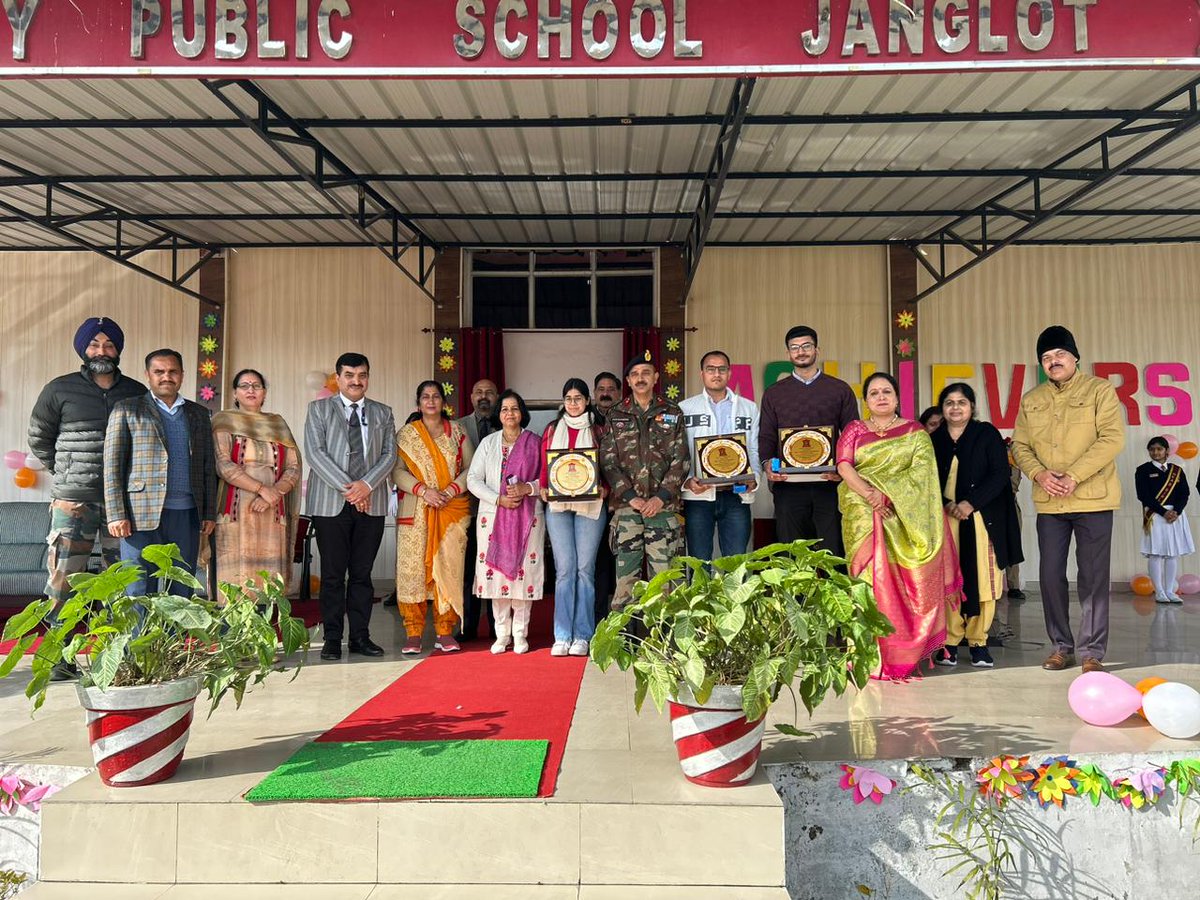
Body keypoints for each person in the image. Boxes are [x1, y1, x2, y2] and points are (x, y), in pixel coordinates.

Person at [28, 316, 145, 680]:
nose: (102, 351)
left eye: (108, 345)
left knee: (121, 579)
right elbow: (39, 438)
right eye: (94, 345)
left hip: (121, 503)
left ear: (118, 350)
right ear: (83, 349)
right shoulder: (58, 389)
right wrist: (66, 472)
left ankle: (117, 656)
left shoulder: (136, 392)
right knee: (64, 580)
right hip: (73, 502)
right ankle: (57, 657)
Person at [1012, 326, 1125, 673]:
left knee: (1092, 577)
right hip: (1050, 502)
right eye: (1046, 358)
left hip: (1092, 498)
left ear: (1075, 357)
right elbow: (1020, 445)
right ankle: (1061, 646)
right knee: (1049, 576)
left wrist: (1074, 475)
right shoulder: (1032, 399)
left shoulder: (1100, 391)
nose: (1053, 361)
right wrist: (1039, 474)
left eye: (1059, 354)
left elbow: (1112, 438)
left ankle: (1092, 652)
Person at [836, 372, 962, 681]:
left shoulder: (914, 432)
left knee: (898, 583)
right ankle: (863, 656)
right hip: (861, 514)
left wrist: (886, 494)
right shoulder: (854, 429)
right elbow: (844, 465)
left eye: (887, 392)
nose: (881, 397)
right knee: (866, 585)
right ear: (866, 400)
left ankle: (899, 655)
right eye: (874, 393)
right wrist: (869, 494)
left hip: (900, 517)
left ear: (897, 398)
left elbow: (923, 478)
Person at [304, 352, 396, 661]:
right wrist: (352, 489)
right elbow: (315, 454)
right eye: (349, 375)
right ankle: (332, 638)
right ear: (338, 378)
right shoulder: (318, 410)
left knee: (362, 574)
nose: (356, 381)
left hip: (372, 502)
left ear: (368, 377)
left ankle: (360, 637)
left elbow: (389, 455)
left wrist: (367, 485)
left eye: (362, 375)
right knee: (332, 575)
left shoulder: (383, 412)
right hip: (331, 504)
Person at [104, 349, 217, 598]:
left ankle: (173, 639)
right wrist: (116, 514)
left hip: (186, 515)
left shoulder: (199, 414)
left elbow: (208, 467)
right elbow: (112, 466)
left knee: (181, 587)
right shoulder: (127, 409)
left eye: (172, 371)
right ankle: (139, 638)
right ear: (148, 375)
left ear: (182, 375)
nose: (167, 376)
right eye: (159, 371)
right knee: (138, 588)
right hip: (138, 515)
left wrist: (208, 512)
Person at [930, 383, 1023, 669]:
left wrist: (970, 503)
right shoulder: (934, 439)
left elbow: (999, 475)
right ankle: (951, 642)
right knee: (949, 578)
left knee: (984, 579)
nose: (955, 407)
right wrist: (948, 503)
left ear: (972, 407)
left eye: (961, 402)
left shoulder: (986, 434)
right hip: (946, 518)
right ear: (942, 408)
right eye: (949, 402)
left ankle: (979, 641)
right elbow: (927, 477)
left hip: (983, 517)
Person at [599, 350, 689, 609]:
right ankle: (623, 644)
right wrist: (632, 497)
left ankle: (663, 646)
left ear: (656, 377)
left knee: (666, 582)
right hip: (627, 510)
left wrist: (660, 498)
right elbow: (608, 462)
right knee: (625, 583)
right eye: (635, 374)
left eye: (646, 373)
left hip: (664, 509)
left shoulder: (672, 411)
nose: (640, 378)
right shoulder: (615, 414)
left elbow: (681, 458)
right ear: (627, 381)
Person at [759, 325, 859, 552]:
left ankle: (833, 589)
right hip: (788, 486)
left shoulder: (839, 389)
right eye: (794, 347)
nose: (801, 351)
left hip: (829, 483)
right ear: (788, 354)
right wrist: (767, 465)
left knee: (833, 549)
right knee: (792, 550)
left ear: (817, 350)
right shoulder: (774, 393)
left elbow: (853, 435)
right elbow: (766, 435)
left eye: (806, 346)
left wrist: (844, 469)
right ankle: (797, 590)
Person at [394, 381, 473, 654]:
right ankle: (413, 632)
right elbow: (397, 471)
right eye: (425, 397)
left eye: (436, 396)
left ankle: (444, 630)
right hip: (416, 510)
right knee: (412, 572)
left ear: (443, 402)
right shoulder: (407, 435)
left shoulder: (458, 432)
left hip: (450, 510)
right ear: (418, 403)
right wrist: (424, 491)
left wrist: (450, 490)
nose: (431, 401)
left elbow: (471, 470)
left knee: (448, 569)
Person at [467, 390, 545, 654]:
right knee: (497, 576)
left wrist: (527, 488)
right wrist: (497, 499)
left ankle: (520, 635)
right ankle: (502, 635)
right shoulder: (488, 443)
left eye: (514, 409)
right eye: (504, 409)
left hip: (528, 519)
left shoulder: (535, 443)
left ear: (522, 412)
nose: (509, 414)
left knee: (523, 577)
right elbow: (473, 480)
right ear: (498, 415)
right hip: (493, 517)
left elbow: (547, 480)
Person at [210, 369, 302, 591]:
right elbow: (222, 463)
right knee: (235, 573)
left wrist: (274, 493)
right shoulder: (223, 421)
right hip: (236, 508)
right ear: (235, 392)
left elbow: (293, 467)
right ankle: (232, 623)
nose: (250, 390)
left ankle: (266, 622)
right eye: (244, 386)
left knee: (268, 575)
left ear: (264, 393)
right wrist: (261, 489)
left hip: (273, 509)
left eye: (256, 386)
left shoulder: (278, 424)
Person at [541, 378, 607, 657]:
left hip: (591, 505)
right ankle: (562, 634)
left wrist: (607, 488)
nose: (573, 403)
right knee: (565, 570)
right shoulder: (552, 428)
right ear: (562, 401)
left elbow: (610, 462)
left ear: (587, 400)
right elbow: (544, 461)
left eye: (578, 398)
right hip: (557, 506)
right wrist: (544, 486)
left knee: (585, 570)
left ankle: (582, 634)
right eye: (568, 398)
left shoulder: (599, 429)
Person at [681, 350, 761, 561]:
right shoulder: (685, 408)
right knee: (698, 563)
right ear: (702, 374)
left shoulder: (749, 408)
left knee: (736, 563)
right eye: (710, 369)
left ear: (729, 373)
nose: (716, 374)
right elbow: (679, 453)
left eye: (721, 369)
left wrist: (755, 479)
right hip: (699, 496)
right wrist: (687, 482)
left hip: (736, 494)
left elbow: (753, 449)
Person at [455, 378, 499, 641]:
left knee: (496, 568)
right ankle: (467, 627)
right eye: (479, 392)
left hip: (498, 511)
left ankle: (498, 626)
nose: (484, 397)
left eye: (490, 393)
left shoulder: (506, 424)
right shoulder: (458, 427)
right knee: (466, 571)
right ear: (471, 397)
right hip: (466, 511)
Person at [1135, 436, 1193, 604]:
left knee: (1172, 554)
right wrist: (1163, 512)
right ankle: (1159, 591)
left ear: (1167, 451)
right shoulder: (1143, 470)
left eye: (1159, 449)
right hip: (1155, 515)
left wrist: (1177, 511)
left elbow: (1185, 493)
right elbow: (1143, 495)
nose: (1155, 452)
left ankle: (1170, 591)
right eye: (1152, 449)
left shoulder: (1177, 470)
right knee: (1156, 554)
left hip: (1175, 516)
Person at [591, 370, 622, 622]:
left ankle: (624, 622)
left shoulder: (628, 420)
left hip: (624, 503)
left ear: (619, 394)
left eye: (611, 389)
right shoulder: (583, 422)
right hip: (593, 504)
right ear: (594, 394)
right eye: (601, 388)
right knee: (599, 564)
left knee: (624, 565)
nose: (606, 393)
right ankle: (600, 619)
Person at [1004, 437, 1026, 601]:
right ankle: (994, 586)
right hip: (992, 505)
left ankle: (1014, 586)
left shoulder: (1013, 457)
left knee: (1013, 545)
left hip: (1011, 504)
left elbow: (1014, 485)